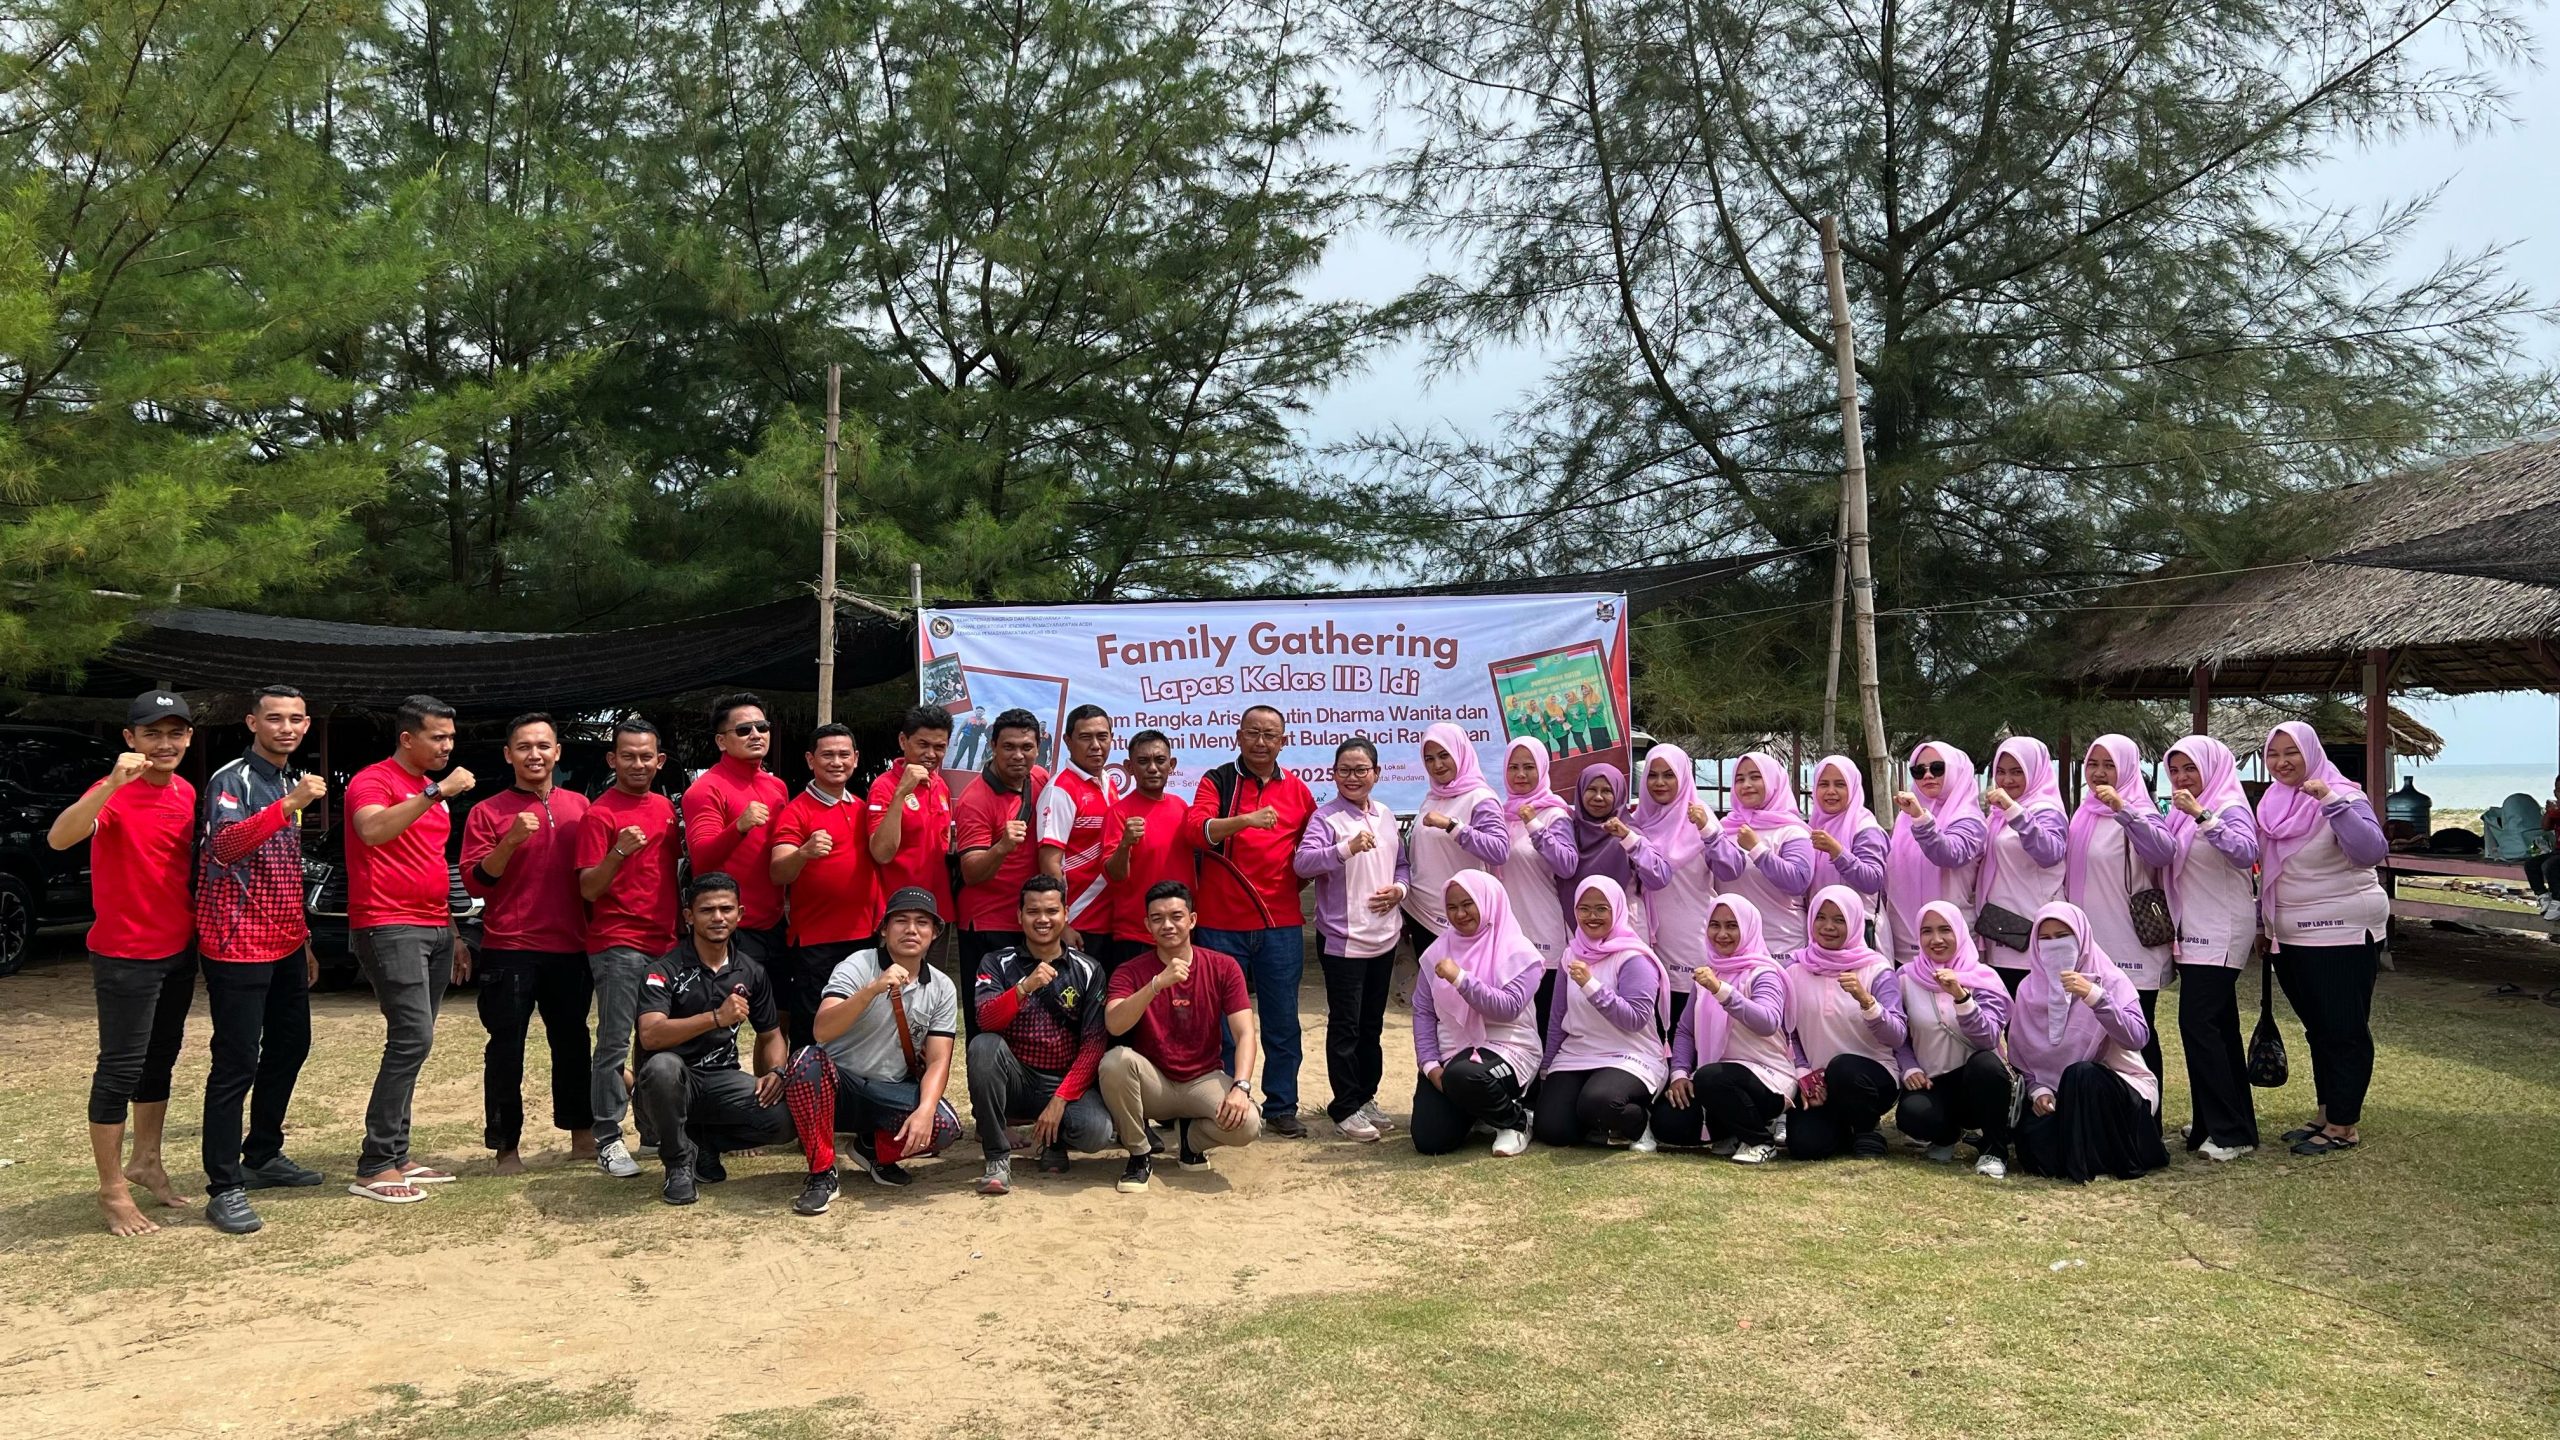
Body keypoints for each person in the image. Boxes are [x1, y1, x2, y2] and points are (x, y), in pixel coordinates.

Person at [48, 691, 200, 1237]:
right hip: (125, 955)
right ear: (130, 739)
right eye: (152, 733)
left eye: (175, 733)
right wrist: (112, 784)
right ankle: (112, 1189)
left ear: (188, 738)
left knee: (160, 1061)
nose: (165, 744)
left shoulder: (185, 791)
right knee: (119, 1070)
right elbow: (59, 837)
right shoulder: (110, 791)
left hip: (177, 948)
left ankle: (147, 1161)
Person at [194, 685, 330, 1233]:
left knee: (291, 1045)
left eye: (296, 719)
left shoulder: (285, 779)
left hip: (285, 941)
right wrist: (290, 806)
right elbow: (225, 847)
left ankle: (263, 1154)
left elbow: (284, 869)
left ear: (306, 724)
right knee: (235, 1063)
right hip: (235, 941)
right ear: (252, 722)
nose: (286, 728)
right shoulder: (231, 780)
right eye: (274, 718)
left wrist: (305, 938)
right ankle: (223, 1186)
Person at [340, 695, 474, 1204]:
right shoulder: (373, 780)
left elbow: (430, 861)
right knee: (412, 1037)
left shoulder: (425, 788)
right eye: (437, 737)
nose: (447, 746)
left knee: (416, 1039)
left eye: (450, 738)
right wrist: (438, 791)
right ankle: (375, 1164)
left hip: (433, 926)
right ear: (406, 738)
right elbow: (372, 830)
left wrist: (453, 933)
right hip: (388, 924)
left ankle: (397, 1153)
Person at [458, 712, 595, 1176]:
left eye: (543, 746)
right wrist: (511, 840)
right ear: (508, 755)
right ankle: (506, 1148)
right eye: (523, 747)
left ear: (557, 752)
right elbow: (477, 883)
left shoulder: (581, 806)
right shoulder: (487, 812)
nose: (534, 755)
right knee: (506, 1049)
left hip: (571, 946)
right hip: (509, 947)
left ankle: (582, 1136)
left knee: (573, 1043)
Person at [780, 886, 964, 1212]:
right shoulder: (858, 964)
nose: (911, 929)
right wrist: (872, 990)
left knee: (943, 1125)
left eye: (922, 922)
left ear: (935, 932)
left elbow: (938, 1060)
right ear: (883, 929)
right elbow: (822, 1030)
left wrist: (924, 1110)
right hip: (838, 1085)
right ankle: (822, 1173)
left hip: (888, 1089)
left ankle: (871, 1149)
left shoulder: (942, 986)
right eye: (901, 921)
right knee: (805, 1061)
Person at [2257, 722, 2390, 1158]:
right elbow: (2270, 872)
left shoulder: (2344, 794)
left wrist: (2331, 803)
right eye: (2273, 754)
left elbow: (2371, 851)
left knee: (2343, 1027)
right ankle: (2326, 1111)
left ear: (2311, 752)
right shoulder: (2273, 803)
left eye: (2291, 752)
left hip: (2342, 931)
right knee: (2318, 1028)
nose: (2281, 762)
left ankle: (2343, 1125)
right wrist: (2264, 926)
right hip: (2290, 933)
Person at [1185, 705, 1317, 1138]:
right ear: (1238, 737)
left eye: (1270, 735)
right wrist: (1246, 821)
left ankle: (1281, 1106)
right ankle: (1223, 1105)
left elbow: (1308, 856)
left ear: (1284, 742)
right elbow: (1196, 831)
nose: (1261, 742)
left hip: (1280, 925)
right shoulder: (1218, 780)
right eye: (1253, 733)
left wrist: (1283, 889)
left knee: (1282, 1021)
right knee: (1222, 1023)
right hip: (1220, 925)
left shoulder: (1299, 791)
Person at [631, 873, 793, 1205]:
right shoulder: (663, 969)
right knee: (663, 1068)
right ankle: (677, 1164)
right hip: (670, 1083)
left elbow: (772, 1035)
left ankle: (705, 1144)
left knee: (786, 1119)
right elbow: (650, 1034)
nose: (718, 917)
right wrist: (716, 1018)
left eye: (726, 909)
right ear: (689, 916)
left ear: (740, 914)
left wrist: (776, 1072)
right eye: (707, 910)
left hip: (721, 1079)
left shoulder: (751, 971)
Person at [1100, 881, 1264, 1192]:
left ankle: (1191, 1140)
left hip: (1204, 1078)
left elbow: (1245, 1033)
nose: (1167, 925)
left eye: (1176, 916)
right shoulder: (1130, 971)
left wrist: (1241, 1087)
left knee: (1248, 1124)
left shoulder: (1223, 966)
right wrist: (1155, 985)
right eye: (1157, 918)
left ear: (1192, 920)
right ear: (1147, 925)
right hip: (1154, 1082)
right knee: (1114, 1062)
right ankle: (1139, 1153)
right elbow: (1114, 1025)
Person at [1292, 737, 1409, 1143]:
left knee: (1371, 1025)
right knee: (1346, 1025)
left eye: (1361, 770)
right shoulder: (1326, 819)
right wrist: (1344, 848)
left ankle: (1365, 1097)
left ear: (1376, 773)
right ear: (1333, 774)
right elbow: (1303, 863)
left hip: (1385, 938)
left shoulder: (1387, 815)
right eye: (1344, 770)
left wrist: (1400, 890)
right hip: (1343, 941)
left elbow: (1402, 865)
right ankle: (1344, 1107)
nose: (1353, 777)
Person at [577, 717, 679, 1179]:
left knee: (655, 1039)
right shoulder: (599, 814)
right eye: (628, 756)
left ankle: (652, 1131)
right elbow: (588, 888)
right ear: (612, 759)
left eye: (646, 756)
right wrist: (618, 852)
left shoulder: (665, 808)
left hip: (665, 941)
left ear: (659, 760)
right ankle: (607, 1137)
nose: (638, 764)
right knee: (614, 1043)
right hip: (618, 942)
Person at [968, 876, 1114, 1194]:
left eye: (1051, 911)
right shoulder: (997, 962)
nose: (1043, 919)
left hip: (1062, 1081)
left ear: (1066, 914)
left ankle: (1054, 1141)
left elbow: (1094, 1044)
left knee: (1097, 1133)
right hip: (1016, 1079)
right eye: (1033, 911)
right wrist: (1024, 987)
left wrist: (1060, 1100)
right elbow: (985, 1020)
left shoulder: (1089, 969)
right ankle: (996, 1157)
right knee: (983, 1046)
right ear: (1019, 916)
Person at [2008, 902, 2168, 1184]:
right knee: (2035, 1150)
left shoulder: (2110, 980)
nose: (2054, 945)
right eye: (2045, 939)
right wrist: (2038, 1090)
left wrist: (2096, 997)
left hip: (2118, 1092)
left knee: (2081, 1074)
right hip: (2061, 1097)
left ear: (2081, 937)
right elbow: (2023, 1058)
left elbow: (2137, 1037)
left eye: (2063, 936)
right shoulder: (2028, 989)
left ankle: (2115, 1157)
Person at [2162, 735, 2262, 1161]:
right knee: (2217, 1029)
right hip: (2193, 932)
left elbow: (2246, 853)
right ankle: (2217, 1121)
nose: (2182, 778)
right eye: (2175, 770)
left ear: (2212, 769)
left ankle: (2229, 1132)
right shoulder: (2179, 814)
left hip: (2220, 931)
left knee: (2199, 1026)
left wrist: (2203, 815)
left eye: (2191, 769)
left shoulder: (2228, 806)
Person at [2064, 734, 2176, 1085]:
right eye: (2093, 764)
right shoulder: (2083, 813)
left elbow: (2163, 853)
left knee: (2137, 1034)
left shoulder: (2141, 810)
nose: (2099, 773)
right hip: (2093, 943)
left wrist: (2123, 810)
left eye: (2109, 765)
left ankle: (2149, 1111)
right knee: (2096, 1035)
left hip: (2132, 943)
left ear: (2127, 769)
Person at [1650, 895, 1792, 1164]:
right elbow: (1685, 1031)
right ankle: (1733, 1131)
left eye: (1732, 926)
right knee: (1667, 1123)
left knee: (1711, 1078)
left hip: (1765, 1077)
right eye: (1715, 925)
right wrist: (1679, 1074)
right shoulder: (1707, 973)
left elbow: (1768, 1022)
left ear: (1748, 928)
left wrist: (1721, 991)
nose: (1722, 934)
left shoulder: (1764, 973)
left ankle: (1760, 1140)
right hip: (1716, 1081)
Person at [1410, 873, 1543, 1157]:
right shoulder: (1438, 951)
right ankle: (1480, 1111)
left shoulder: (1521, 953)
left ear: (1488, 903)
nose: (1460, 914)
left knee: (1464, 1076)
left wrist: (1461, 979)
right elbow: (1422, 1011)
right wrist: (1430, 1065)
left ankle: (1516, 1122)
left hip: (1507, 1047)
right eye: (1452, 907)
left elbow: (1508, 1008)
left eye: (1468, 904)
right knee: (1430, 1139)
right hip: (1450, 1053)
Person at [1531, 876, 1668, 1152]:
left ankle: (1638, 1123)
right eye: (1584, 909)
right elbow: (1558, 1016)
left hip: (1629, 1054)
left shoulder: (1634, 957)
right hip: (1577, 1053)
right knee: (1553, 1128)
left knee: (1600, 1102)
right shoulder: (1571, 954)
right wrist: (1547, 1067)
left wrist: (1591, 986)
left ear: (1616, 910)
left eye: (1601, 909)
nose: (1592, 916)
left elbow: (1634, 1019)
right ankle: (1599, 1125)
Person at [769, 724, 883, 1051]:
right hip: (815, 943)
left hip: (864, 938)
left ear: (856, 759)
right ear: (810, 760)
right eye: (827, 755)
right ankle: (804, 1084)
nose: (836, 762)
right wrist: (803, 853)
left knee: (860, 1028)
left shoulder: (862, 807)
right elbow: (778, 871)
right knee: (811, 1032)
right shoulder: (796, 811)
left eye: (844, 754)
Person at [1782, 886, 1906, 1160]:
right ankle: (1841, 1128)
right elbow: (1789, 1032)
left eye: (1839, 920)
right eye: (1821, 917)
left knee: (1843, 1068)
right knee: (1806, 1147)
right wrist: (1803, 1071)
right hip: (1818, 1082)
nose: (1828, 927)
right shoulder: (1795, 970)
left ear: (1854, 922)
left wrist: (1867, 1002)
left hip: (1870, 1078)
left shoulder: (1876, 969)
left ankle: (1866, 1129)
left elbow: (1897, 1035)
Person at [1891, 901, 2014, 1178]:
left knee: (1986, 1065)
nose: (1936, 939)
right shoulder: (1906, 978)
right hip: (1933, 1080)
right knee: (1912, 1115)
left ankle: (1994, 1148)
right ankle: (1946, 1136)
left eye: (1945, 930)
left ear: (1959, 931)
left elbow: (1988, 1038)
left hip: (1977, 1080)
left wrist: (1962, 996)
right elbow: (1899, 1034)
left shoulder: (1983, 978)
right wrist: (1909, 1066)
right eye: (1927, 931)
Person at [952, 708, 1050, 1031]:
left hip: (1029, 920)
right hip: (987, 925)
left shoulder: (1039, 778)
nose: (1018, 755)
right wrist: (1002, 847)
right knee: (988, 1021)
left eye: (1026, 747)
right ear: (993, 745)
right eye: (1008, 747)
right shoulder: (975, 799)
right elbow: (971, 872)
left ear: (1038, 748)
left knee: (1029, 1021)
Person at [1623, 744, 1730, 1032]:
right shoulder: (1638, 821)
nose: (1659, 782)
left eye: (1668, 775)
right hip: (1649, 935)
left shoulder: (1700, 818)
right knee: (1656, 1019)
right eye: (1652, 775)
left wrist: (1708, 831)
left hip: (1691, 934)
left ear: (1683, 777)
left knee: (1691, 1018)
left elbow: (1729, 870)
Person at [684, 692, 791, 970]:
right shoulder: (705, 789)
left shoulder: (777, 786)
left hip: (776, 923)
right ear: (721, 741)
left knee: (780, 999)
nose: (756, 735)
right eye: (744, 730)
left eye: (762, 727)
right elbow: (702, 859)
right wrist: (739, 827)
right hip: (732, 928)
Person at [1493, 737, 1576, 1033]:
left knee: (1542, 1023)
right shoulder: (1500, 815)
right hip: (1505, 935)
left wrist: (1534, 825)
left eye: (1529, 767)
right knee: (1509, 1025)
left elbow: (1567, 865)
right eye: (1513, 767)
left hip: (1542, 933)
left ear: (1542, 769)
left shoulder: (1555, 814)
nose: (1520, 775)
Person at [1974, 737, 2069, 991]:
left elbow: (2050, 853)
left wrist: (2014, 811)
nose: (2007, 780)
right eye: (2001, 772)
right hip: (1999, 930)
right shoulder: (1996, 816)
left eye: (2017, 772)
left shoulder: (2046, 810)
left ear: (2035, 772)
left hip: (2033, 934)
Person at [867, 705, 957, 971]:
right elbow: (881, 853)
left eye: (939, 747)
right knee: (893, 988)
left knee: (932, 986)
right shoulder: (884, 786)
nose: (931, 754)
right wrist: (901, 793)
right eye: (923, 744)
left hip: (937, 911)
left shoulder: (940, 785)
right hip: (898, 912)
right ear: (903, 741)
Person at [1100, 729, 1196, 974]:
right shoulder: (1118, 813)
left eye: (1160, 760)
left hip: (1181, 934)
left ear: (1171, 765)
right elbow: (1115, 876)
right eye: (1143, 761)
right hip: (1136, 936)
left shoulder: (1182, 807)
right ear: (1129, 767)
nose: (1152, 768)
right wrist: (1125, 844)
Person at [1402, 723, 1508, 944]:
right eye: (1429, 759)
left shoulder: (1480, 798)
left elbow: (1499, 851)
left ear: (1460, 752)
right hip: (1418, 912)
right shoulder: (1432, 797)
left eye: (1444, 755)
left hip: (1458, 920)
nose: (1437, 765)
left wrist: (1452, 826)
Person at [1882, 741, 1986, 962]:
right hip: (1903, 940)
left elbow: (1950, 854)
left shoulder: (1969, 819)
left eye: (1938, 768)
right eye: (1919, 771)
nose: (1928, 775)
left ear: (1956, 771)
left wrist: (1921, 819)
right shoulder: (1905, 818)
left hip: (1949, 942)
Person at [1037, 703, 1121, 943]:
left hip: (1110, 919)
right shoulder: (1060, 790)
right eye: (1085, 737)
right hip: (1079, 922)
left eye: (1102, 737)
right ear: (1067, 741)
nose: (1095, 745)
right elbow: (1049, 862)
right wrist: (1061, 925)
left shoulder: (1107, 782)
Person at [1721, 751, 1817, 954]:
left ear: (1773, 781)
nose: (1746, 785)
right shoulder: (1724, 828)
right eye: (1740, 779)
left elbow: (1799, 881)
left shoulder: (1791, 831)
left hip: (1780, 945)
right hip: (1733, 945)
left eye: (1756, 777)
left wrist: (1758, 850)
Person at [1805, 754, 1888, 907]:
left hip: (1858, 919)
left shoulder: (1865, 828)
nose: (1831, 791)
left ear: (1853, 787)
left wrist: (1837, 852)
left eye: (1840, 784)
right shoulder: (1813, 826)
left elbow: (1872, 881)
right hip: (1820, 919)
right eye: (1823, 784)